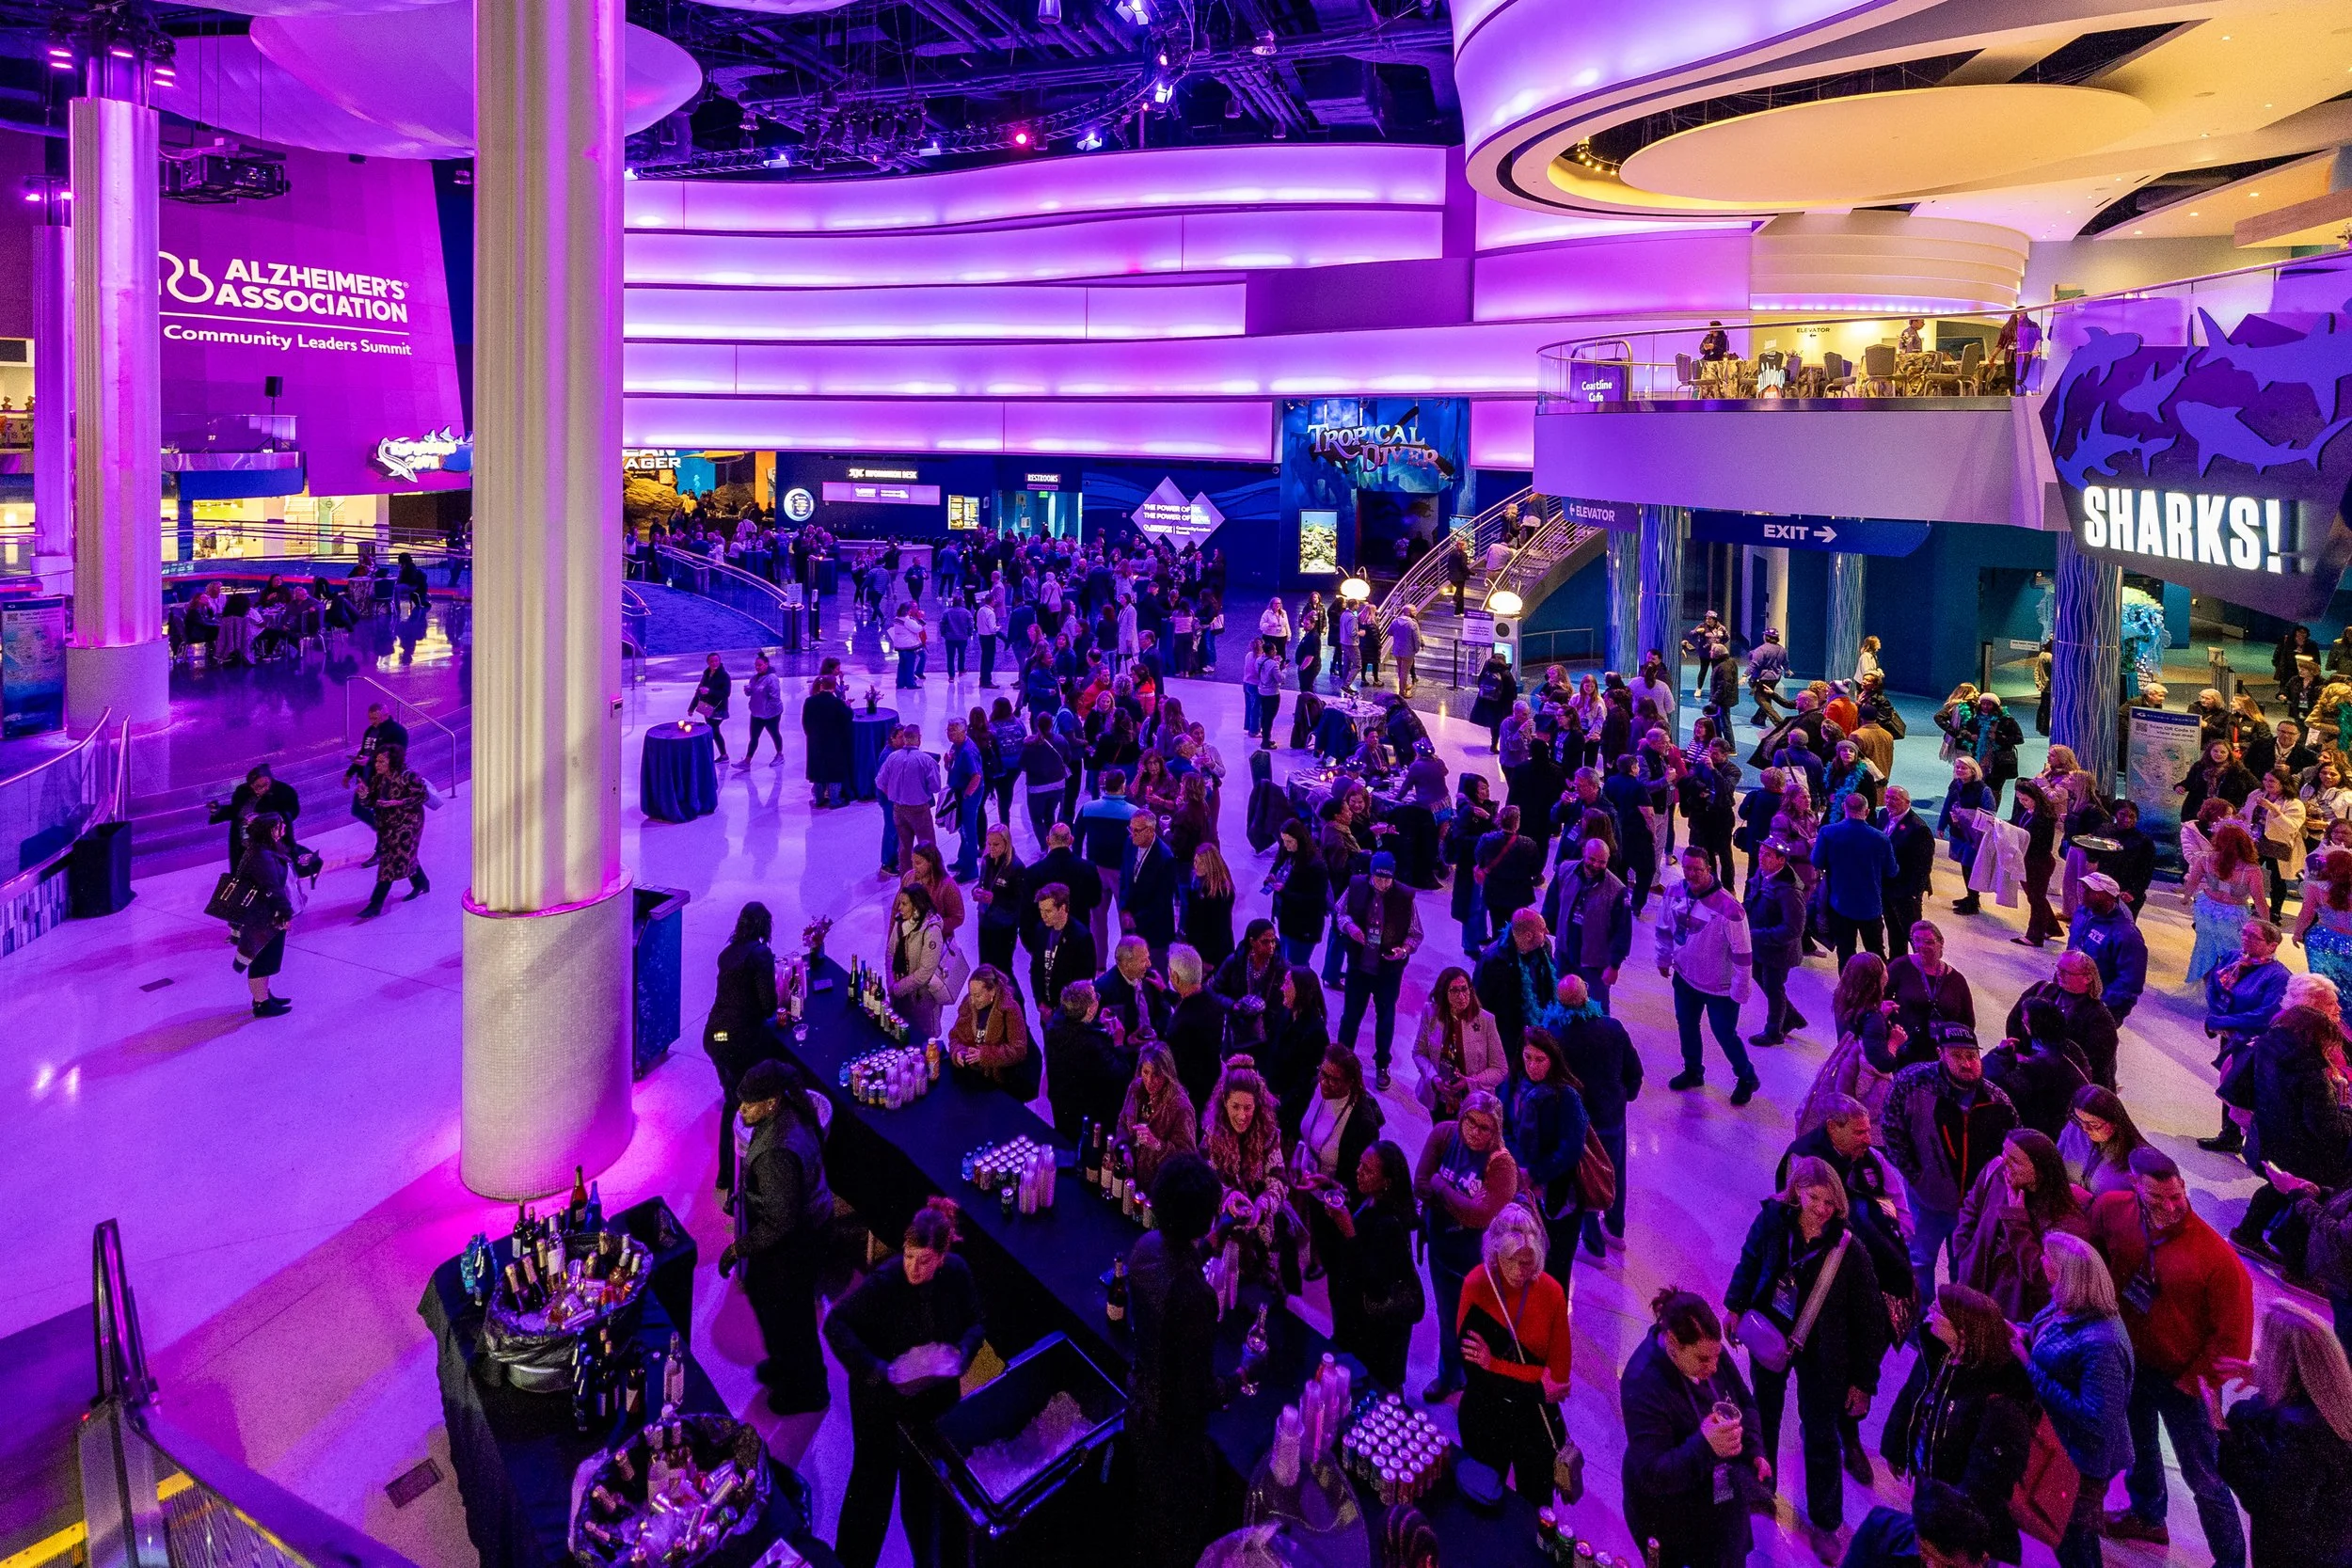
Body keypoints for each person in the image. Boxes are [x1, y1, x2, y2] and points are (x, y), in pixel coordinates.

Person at [2085, 1148, 2253, 1563]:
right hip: (2132, 1362)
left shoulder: (2217, 1259)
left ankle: (2230, 1561)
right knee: (2140, 1447)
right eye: (2156, 1199)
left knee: (2205, 1478)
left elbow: (2232, 1339)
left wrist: (2192, 1381)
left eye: (2176, 1197)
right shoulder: (2112, 1209)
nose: (2170, 1207)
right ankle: (2148, 1517)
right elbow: (2096, 1256)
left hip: (2185, 1381)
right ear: (2135, 1188)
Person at [1724, 1155, 1889, 1558]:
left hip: (1826, 1353)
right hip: (1770, 1331)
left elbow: (1872, 1322)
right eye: (1814, 1197)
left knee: (1819, 1432)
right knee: (1762, 1413)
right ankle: (1761, 1489)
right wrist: (1734, 1305)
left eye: (1830, 1202)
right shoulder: (1773, 1221)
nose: (1821, 1208)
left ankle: (1826, 1522)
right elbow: (1749, 1260)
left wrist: (1864, 1382)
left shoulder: (1850, 1251)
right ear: (1797, 1191)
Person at [823, 1198, 985, 1568]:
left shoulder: (957, 1274)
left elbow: (976, 1322)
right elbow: (836, 1324)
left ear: (942, 1257)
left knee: (925, 1499)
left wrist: (962, 1352)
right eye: (909, 1256)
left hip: (930, 1408)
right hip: (881, 1403)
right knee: (870, 1492)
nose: (913, 1267)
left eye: (924, 1260)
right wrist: (878, 1369)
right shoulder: (885, 1283)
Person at [1620, 1286, 1768, 1568]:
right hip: (1668, 1515)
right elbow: (1653, 1473)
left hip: (1720, 1503)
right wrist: (1704, 1444)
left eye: (1716, 1356)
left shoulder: (1708, 1349)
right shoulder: (1642, 1384)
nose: (1714, 1366)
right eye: (1703, 1359)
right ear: (1673, 1344)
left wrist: (1755, 1449)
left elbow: (1745, 1403)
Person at [722, 1058, 834, 1417]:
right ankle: (786, 1367)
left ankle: (807, 1391)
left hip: (795, 1242)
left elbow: (780, 1221)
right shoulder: (791, 1112)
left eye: (748, 1103)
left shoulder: (775, 1153)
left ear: (771, 1102)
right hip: (810, 1227)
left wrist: (739, 1247)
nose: (741, 1109)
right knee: (780, 1307)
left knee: (789, 1316)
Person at [1893, 1287, 2034, 1563]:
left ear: (1964, 1331)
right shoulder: (1941, 1357)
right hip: (1934, 1497)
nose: (1929, 1314)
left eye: (1939, 1312)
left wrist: (1945, 1523)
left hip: (1966, 1534)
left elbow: (1984, 1487)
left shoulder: (2000, 1402)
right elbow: (1913, 1396)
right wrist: (1899, 1447)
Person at [2022, 1231, 2137, 1568]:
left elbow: (2096, 1419)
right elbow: (2045, 1342)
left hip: (2081, 1463)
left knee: (2075, 1544)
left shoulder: (2102, 1343)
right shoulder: (2064, 1306)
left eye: (2049, 1260)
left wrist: (2029, 1367)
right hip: (2060, 1446)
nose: (2041, 1262)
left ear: (2069, 1275)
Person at [1883, 1028, 2018, 1310]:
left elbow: (2013, 1150)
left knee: (1965, 1267)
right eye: (1957, 1055)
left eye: (1972, 1055)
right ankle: (1919, 1316)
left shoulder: (1997, 1101)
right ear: (1939, 1054)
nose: (1967, 1063)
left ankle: (1956, 1318)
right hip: (1928, 1199)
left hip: (1973, 1208)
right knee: (1920, 1259)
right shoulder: (1912, 1083)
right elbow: (1892, 1129)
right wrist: (1915, 1175)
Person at [2216, 1298, 2352, 1568]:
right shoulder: (2334, 1406)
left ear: (2286, 1362)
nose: (2257, 1354)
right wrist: (2267, 1378)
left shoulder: (2303, 1432)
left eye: (2265, 1347)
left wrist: (2223, 1432)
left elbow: (2269, 1502)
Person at [1456, 1205, 1575, 1508]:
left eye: (1528, 1261)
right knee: (1482, 1497)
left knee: (1535, 1507)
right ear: (1495, 1253)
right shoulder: (1476, 1285)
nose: (1521, 1271)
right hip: (1485, 1417)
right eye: (1513, 1260)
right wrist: (1536, 1381)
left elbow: (1559, 1382)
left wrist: (1494, 1364)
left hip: (1533, 1425)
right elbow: (1475, 1375)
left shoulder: (1551, 1293)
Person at [1414, 1090, 1520, 1402]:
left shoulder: (1502, 1166)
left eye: (1484, 1127)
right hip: (1441, 1246)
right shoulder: (1445, 1133)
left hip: (1479, 1261)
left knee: (1477, 1326)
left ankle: (1478, 1388)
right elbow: (1420, 1183)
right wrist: (1454, 1198)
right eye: (1470, 1122)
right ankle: (1450, 1377)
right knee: (1448, 1319)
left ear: (1495, 1130)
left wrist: (1440, 1186)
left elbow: (1479, 1216)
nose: (1475, 1131)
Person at [1540, 974, 1642, 1253]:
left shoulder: (1553, 1034)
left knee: (1584, 1177)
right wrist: (1624, 1097)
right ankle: (1616, 1230)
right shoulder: (1612, 1028)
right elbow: (1635, 1073)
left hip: (1577, 1123)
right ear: (1587, 996)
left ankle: (1594, 1245)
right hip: (1612, 1118)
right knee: (1615, 1172)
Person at [1657, 846, 1758, 1104]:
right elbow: (1664, 925)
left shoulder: (1730, 909)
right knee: (1687, 1025)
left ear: (1709, 869)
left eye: (1697, 870)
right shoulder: (1675, 891)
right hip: (1685, 978)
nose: (1691, 874)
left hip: (1719, 988)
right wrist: (1663, 956)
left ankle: (1746, 1077)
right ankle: (1693, 1071)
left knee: (1724, 1033)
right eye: (1687, 868)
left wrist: (1741, 989)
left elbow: (1743, 953)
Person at [1952, 1129, 2088, 1321]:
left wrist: (2017, 1221)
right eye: (2004, 1153)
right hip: (1974, 1283)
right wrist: (1964, 1252)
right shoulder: (1997, 1172)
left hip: (2013, 1312)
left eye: (2014, 1161)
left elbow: (2042, 1276)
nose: (2005, 1163)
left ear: (2040, 1171)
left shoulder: (2067, 1221)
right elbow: (1970, 1208)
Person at [1322, 1140, 1422, 1390]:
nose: (1358, 1171)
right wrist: (1326, 1185)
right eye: (1359, 1165)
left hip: (1374, 1337)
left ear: (1386, 1181)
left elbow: (1373, 1282)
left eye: (1367, 1170)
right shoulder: (1372, 1198)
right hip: (1359, 1324)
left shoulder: (1389, 1225)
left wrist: (1348, 1232)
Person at [1501, 1027, 1590, 1283]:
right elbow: (1506, 1127)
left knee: (1555, 1268)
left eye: (1540, 1060)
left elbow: (1571, 1148)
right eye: (1528, 1058)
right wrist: (1518, 1166)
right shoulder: (1514, 1085)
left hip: (1560, 1195)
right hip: (1521, 1187)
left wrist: (1536, 1173)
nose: (1533, 1066)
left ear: (1552, 1059)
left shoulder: (1567, 1095)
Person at [706, 902, 780, 1191]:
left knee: (731, 1100)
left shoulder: (727, 955)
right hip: (737, 1039)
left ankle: (726, 1173)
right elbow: (768, 1005)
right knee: (745, 1104)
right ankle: (742, 1174)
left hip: (715, 1036)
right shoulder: (760, 955)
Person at [2199, 922, 2292, 1153]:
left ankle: (2243, 1139)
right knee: (2227, 1083)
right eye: (2245, 933)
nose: (2246, 939)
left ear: (2272, 945)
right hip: (2228, 1031)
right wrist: (2217, 1015)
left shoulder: (2279, 976)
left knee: (2239, 1087)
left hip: (2249, 1041)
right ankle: (2228, 1135)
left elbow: (2266, 1014)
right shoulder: (2233, 958)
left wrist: (2222, 1022)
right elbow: (2213, 986)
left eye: (2254, 937)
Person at [1334, 850, 1422, 1088]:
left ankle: (1382, 1064)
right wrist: (1350, 927)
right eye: (1378, 878)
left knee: (1385, 1018)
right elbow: (1339, 912)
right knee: (1351, 1016)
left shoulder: (1405, 897)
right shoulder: (1356, 886)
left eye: (1387, 879)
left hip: (1388, 972)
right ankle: (1342, 1061)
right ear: (1371, 874)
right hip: (1359, 966)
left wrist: (1403, 950)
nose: (1382, 884)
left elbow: (1416, 933)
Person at [1201, 1059, 1291, 1291]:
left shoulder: (1269, 1134)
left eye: (1248, 1108)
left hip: (1259, 1232)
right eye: (1235, 1107)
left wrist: (1263, 1203)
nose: (1242, 1116)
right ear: (1224, 1102)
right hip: (1220, 1227)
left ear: (1257, 1105)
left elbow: (1280, 1180)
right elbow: (1204, 1177)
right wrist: (1227, 1196)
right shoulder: (1212, 1134)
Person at [1411, 965, 1508, 1120]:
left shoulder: (1485, 1020)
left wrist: (1469, 1082)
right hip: (1439, 1097)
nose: (1462, 996)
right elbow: (1419, 1053)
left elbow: (1500, 1069)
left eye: (1465, 989)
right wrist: (1433, 1078)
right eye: (1454, 991)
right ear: (1443, 993)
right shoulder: (1431, 1013)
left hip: (1474, 1102)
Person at [1550, 834, 1631, 1012]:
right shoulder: (1565, 870)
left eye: (1602, 862)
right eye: (1592, 859)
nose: (1595, 865)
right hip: (1565, 952)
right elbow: (1552, 903)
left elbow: (1623, 931)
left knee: (1598, 1008)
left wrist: (1614, 965)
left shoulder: (1617, 889)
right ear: (1583, 853)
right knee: (1561, 999)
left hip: (1595, 962)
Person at [230, 812, 297, 1017]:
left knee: (267, 959)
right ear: (270, 830)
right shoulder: (262, 856)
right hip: (263, 918)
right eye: (280, 826)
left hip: (263, 915)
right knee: (261, 960)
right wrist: (286, 913)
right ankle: (261, 1004)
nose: (284, 828)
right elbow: (272, 888)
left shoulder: (260, 850)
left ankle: (265, 995)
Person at [1843, 1481, 1997, 1568]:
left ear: (1981, 1561)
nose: (1930, 1566)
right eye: (1924, 1551)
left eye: (1947, 1567)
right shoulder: (1879, 1531)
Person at [2186, 820, 2267, 984]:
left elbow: (2192, 883)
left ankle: (2207, 986)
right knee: (2233, 952)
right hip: (2233, 914)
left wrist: (2186, 897)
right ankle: (2225, 988)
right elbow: (2259, 900)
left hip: (2206, 909)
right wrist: (2267, 924)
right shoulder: (2251, 870)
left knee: (2205, 949)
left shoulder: (2205, 860)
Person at [1744, 836, 1807, 1046]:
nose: (1761, 858)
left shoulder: (1789, 892)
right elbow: (1752, 901)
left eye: (1768, 855)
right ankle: (1791, 1017)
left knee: (1774, 988)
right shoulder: (1763, 875)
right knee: (1757, 975)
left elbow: (1793, 929)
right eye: (1761, 852)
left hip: (1779, 951)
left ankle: (1774, 1032)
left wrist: (1758, 934)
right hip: (1761, 945)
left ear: (1781, 860)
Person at [356, 747, 432, 918]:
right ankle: (421, 882)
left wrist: (397, 802)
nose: (377, 764)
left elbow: (423, 797)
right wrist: (363, 795)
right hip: (387, 825)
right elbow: (371, 803)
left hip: (408, 824)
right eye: (377, 760)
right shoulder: (378, 779)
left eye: (382, 761)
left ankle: (376, 904)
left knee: (389, 862)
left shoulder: (409, 776)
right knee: (405, 856)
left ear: (392, 761)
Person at [1118, 1041, 1200, 1193]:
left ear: (1167, 1073)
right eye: (1146, 1072)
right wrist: (1125, 1148)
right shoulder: (1136, 1088)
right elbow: (1123, 1122)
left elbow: (1188, 1159)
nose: (1149, 1081)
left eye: (1156, 1075)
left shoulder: (1180, 1106)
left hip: (1161, 1189)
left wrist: (1157, 1145)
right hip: (1131, 1181)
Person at [2065, 875, 2148, 1021]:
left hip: (2102, 1005)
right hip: (2073, 994)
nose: (2085, 893)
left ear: (2109, 896)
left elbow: (2131, 981)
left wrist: (2100, 1003)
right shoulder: (2081, 913)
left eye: (2092, 891)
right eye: (2085, 889)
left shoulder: (2126, 935)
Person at [946, 963, 1036, 1100]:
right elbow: (955, 1036)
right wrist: (958, 1052)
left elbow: (1018, 1050)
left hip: (997, 1084)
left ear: (992, 991)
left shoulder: (1010, 1009)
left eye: (977, 996)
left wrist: (984, 1055)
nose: (973, 1001)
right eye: (971, 995)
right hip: (971, 1078)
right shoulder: (968, 1003)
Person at [1887, 921, 1975, 1044]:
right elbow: (1880, 998)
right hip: (1904, 1042)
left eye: (1928, 942)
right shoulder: (1900, 966)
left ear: (1941, 943)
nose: (1921, 946)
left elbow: (1967, 1022)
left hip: (1942, 1046)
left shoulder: (1957, 980)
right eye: (1916, 940)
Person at [873, 725, 942, 877]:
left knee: (904, 847)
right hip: (919, 809)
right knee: (927, 845)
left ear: (905, 739)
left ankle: (906, 880)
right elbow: (936, 787)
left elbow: (880, 782)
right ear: (919, 738)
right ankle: (930, 878)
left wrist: (894, 793)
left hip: (898, 808)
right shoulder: (926, 760)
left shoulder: (892, 757)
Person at [883, 885, 949, 1038]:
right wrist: (891, 983)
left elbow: (925, 972)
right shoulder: (901, 924)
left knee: (922, 1040)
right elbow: (890, 953)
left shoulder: (932, 931)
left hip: (922, 999)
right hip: (899, 993)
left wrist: (898, 988)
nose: (899, 908)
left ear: (916, 905)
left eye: (904, 904)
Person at [215, 764, 301, 869]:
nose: (259, 790)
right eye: (255, 786)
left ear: (270, 781)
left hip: (273, 840)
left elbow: (292, 812)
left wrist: (267, 818)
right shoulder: (242, 792)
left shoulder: (284, 791)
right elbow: (236, 813)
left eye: (264, 785)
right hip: (246, 843)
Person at [1182, 843, 1237, 972]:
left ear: (1211, 865)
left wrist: (1209, 960)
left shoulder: (1221, 892)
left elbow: (1219, 929)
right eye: (1195, 861)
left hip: (1213, 953)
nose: (1196, 866)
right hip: (1196, 947)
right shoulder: (1196, 881)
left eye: (1201, 863)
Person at [802, 676, 856, 807]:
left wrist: (811, 736)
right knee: (834, 771)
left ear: (821, 686)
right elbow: (848, 717)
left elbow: (805, 722)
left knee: (818, 770)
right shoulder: (837, 703)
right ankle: (835, 800)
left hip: (815, 741)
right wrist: (848, 706)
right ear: (833, 687)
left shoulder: (809, 701)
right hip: (834, 742)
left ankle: (819, 799)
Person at [740, 653, 784, 766]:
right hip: (756, 713)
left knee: (774, 733)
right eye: (756, 665)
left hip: (771, 715)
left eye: (760, 665)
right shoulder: (754, 678)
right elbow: (753, 693)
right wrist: (748, 691)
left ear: (766, 664)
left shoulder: (772, 679)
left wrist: (766, 711)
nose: (757, 667)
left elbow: (775, 698)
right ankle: (747, 761)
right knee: (754, 737)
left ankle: (780, 755)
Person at [691, 651, 733, 759]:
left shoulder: (724, 676)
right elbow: (699, 691)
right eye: (712, 661)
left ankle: (721, 754)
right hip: (706, 706)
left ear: (719, 661)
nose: (714, 663)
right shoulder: (706, 674)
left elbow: (726, 693)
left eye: (716, 661)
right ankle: (721, 754)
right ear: (708, 662)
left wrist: (709, 691)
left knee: (713, 730)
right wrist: (692, 707)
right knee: (713, 731)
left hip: (719, 707)